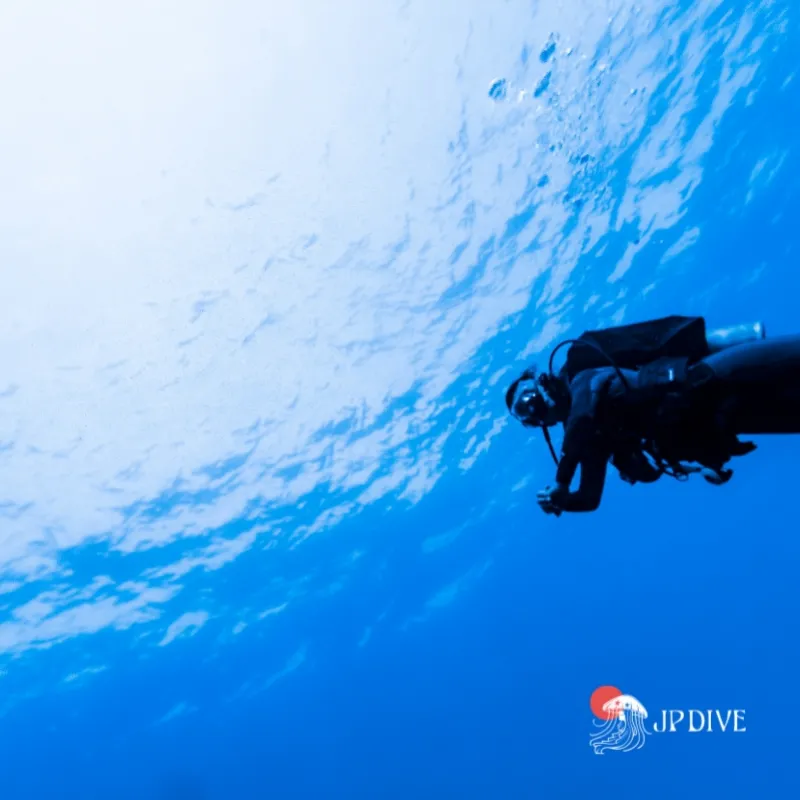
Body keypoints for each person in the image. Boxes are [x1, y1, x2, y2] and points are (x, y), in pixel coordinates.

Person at [505, 315, 781, 515]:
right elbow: (590, 498)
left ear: (542, 384)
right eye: (530, 415)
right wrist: (563, 502)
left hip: (712, 379)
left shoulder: (582, 377)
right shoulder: (587, 440)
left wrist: (561, 481)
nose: (537, 409)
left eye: (530, 400)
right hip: (719, 423)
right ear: (540, 425)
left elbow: (582, 416)